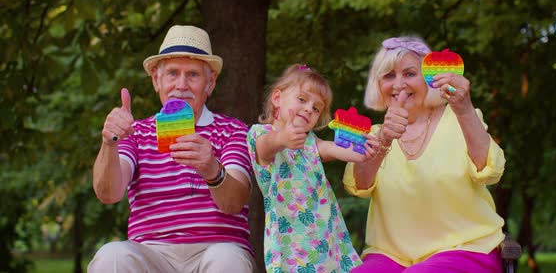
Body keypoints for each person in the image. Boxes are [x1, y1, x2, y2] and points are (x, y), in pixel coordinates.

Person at [88, 25, 255, 273]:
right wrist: (109, 142)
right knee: (111, 255)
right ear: (157, 80)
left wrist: (212, 169)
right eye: (173, 73)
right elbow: (108, 194)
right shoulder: (135, 132)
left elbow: (234, 202)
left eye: (193, 75)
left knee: (227, 258)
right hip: (151, 253)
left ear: (210, 83)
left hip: (214, 250)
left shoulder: (234, 131)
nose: (181, 85)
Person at [343, 36, 506, 273]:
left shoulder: (461, 119)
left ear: (431, 79)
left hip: (467, 249)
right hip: (390, 256)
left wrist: (464, 107)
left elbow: (489, 172)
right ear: (378, 85)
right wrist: (384, 140)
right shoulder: (374, 135)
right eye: (389, 76)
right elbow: (359, 185)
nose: (398, 84)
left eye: (410, 74)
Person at [246, 64, 379, 273]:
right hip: (291, 243)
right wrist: (284, 137)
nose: (309, 108)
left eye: (316, 108)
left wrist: (363, 151)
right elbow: (265, 149)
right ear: (277, 98)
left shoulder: (311, 143)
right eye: (302, 99)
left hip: (326, 235)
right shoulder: (261, 133)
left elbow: (334, 149)